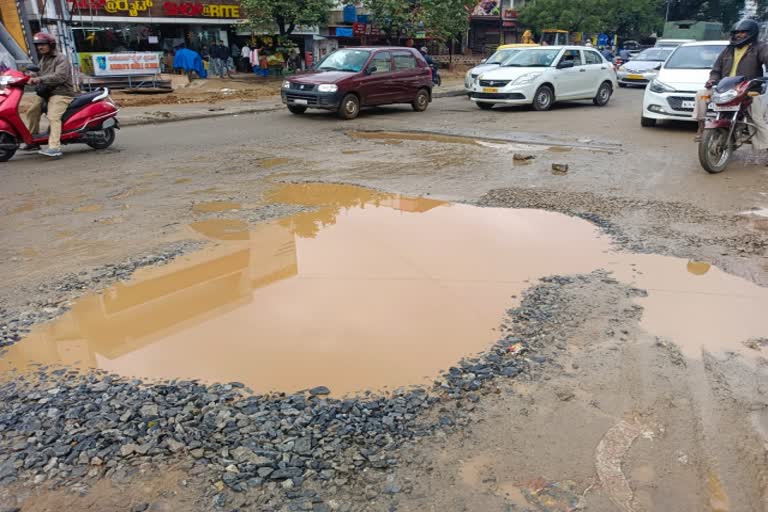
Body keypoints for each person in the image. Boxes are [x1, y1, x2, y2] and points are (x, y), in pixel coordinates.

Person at [694, 19, 768, 141]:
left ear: (752, 33)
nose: (738, 35)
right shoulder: (728, 50)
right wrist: (712, 80)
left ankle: (765, 145)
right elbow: (716, 70)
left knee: (757, 118)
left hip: (748, 91)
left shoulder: (760, 48)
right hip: (725, 90)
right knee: (701, 95)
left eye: (743, 32)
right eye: (736, 32)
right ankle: (701, 125)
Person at [24, 32, 75, 158]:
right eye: (38, 45)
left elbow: (60, 76)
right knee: (32, 111)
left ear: (50, 45)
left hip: (61, 92)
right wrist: (28, 76)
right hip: (46, 92)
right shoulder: (44, 59)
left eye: (42, 44)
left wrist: (40, 79)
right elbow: (39, 73)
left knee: (53, 117)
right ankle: (33, 142)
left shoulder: (61, 58)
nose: (39, 47)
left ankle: (54, 148)